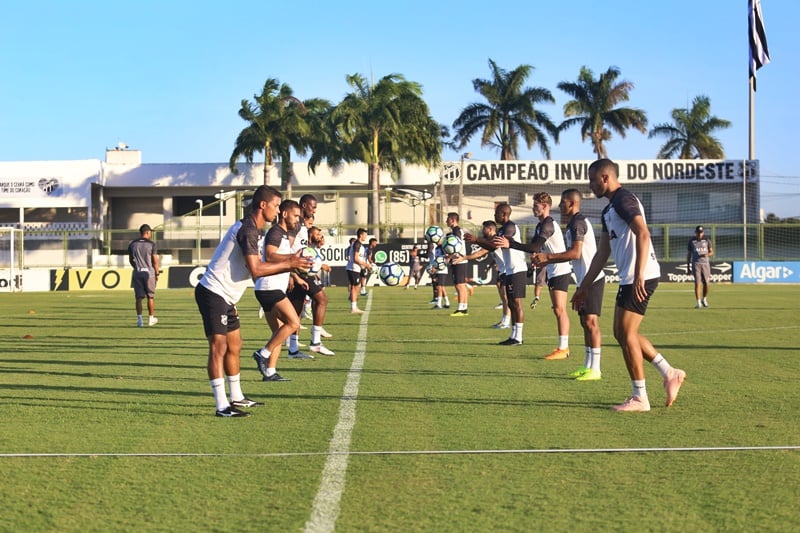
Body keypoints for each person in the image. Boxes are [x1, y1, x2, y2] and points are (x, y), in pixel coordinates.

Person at [573, 159, 686, 412]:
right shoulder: (607, 210)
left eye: (593, 180)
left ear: (605, 178)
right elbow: (601, 254)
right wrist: (583, 285)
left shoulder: (624, 199)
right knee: (624, 333)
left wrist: (637, 276)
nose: (590, 185)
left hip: (640, 276)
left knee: (625, 334)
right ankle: (669, 372)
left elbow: (643, 233)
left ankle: (640, 398)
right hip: (633, 277)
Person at [195, 185, 311, 417]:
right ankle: (222, 406)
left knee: (235, 345)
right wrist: (290, 264)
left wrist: (290, 260)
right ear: (262, 205)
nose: (278, 211)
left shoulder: (252, 229)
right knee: (219, 348)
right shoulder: (248, 230)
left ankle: (237, 397)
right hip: (213, 293)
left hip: (226, 296)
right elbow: (257, 270)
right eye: (276, 206)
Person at [532, 189, 605, 380]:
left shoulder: (578, 222)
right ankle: (588, 365)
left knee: (591, 323)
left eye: (563, 202)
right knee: (584, 322)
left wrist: (547, 257)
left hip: (593, 279)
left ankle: (595, 369)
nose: (560, 206)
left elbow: (575, 253)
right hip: (583, 280)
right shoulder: (573, 223)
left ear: (571, 203)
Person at [496, 193, 572, 358]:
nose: (533, 208)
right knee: (557, 309)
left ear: (545, 206)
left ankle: (563, 348)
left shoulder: (548, 225)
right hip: (552, 269)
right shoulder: (541, 225)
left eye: (535, 205)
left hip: (560, 270)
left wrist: (512, 244)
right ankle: (562, 347)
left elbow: (533, 247)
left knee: (560, 309)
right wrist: (539, 261)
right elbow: (538, 249)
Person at [251, 199, 310, 381]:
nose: (297, 220)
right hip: (270, 287)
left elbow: (283, 262)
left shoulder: (283, 234)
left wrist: (296, 276)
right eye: (295, 215)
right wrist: (293, 258)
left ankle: (270, 372)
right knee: (294, 323)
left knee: (278, 333)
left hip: (267, 287)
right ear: (284, 214)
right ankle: (262, 354)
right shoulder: (276, 232)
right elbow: (269, 255)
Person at [470, 202, 527, 345]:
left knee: (517, 303)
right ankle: (513, 335)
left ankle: (518, 337)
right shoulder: (502, 230)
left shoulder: (510, 227)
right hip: (509, 270)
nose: (494, 216)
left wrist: (477, 240)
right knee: (512, 304)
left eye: (496, 213)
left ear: (504, 214)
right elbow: (491, 247)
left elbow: (495, 245)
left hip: (517, 269)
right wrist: (478, 241)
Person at [457, 220, 510, 328]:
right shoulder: (490, 241)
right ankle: (504, 320)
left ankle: (506, 322)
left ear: (490, 229)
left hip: (508, 271)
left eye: (484, 228)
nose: (482, 230)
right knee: (504, 298)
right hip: (502, 271)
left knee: (506, 297)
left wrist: (464, 257)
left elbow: (480, 253)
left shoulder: (496, 239)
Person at [128, 223, 160, 327]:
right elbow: (155, 261)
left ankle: (140, 320)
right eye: (150, 232)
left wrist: (136, 267)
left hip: (137, 272)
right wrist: (157, 273)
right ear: (147, 232)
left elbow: (131, 260)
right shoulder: (152, 244)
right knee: (150, 296)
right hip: (149, 273)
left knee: (138, 298)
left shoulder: (132, 244)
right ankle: (151, 318)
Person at [445, 212, 470, 316]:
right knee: (461, 285)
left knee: (459, 286)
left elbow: (456, 246)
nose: (446, 221)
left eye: (448, 219)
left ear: (453, 220)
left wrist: (450, 257)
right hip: (460, 260)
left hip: (459, 260)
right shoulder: (456, 230)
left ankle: (461, 308)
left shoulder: (456, 231)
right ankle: (464, 308)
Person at [687, 225, 714, 308]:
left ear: (703, 232)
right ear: (695, 233)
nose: (699, 235)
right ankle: (698, 302)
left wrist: (707, 254)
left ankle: (704, 299)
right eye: (698, 233)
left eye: (701, 233)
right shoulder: (691, 241)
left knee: (706, 283)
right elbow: (689, 254)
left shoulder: (707, 240)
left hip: (705, 264)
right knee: (697, 283)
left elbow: (712, 252)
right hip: (696, 264)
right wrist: (688, 266)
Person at [346, 229, 370, 313]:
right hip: (353, 268)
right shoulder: (357, 244)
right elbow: (356, 258)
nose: (365, 237)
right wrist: (366, 265)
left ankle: (353, 305)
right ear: (361, 235)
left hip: (356, 268)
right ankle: (353, 307)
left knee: (356, 287)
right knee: (355, 287)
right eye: (365, 235)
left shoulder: (359, 244)